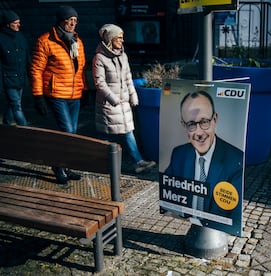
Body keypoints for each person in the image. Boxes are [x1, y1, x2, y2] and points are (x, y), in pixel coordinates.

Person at [163, 90, 243, 230]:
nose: (199, 132)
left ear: (215, 119)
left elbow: (233, 219)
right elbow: (167, 195)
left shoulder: (235, 160)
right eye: (191, 124)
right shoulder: (179, 154)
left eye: (204, 122)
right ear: (184, 125)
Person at [30, 6, 87, 185]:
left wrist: (84, 90)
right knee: (67, 131)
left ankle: (66, 166)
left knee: (72, 134)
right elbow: (36, 70)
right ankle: (58, 166)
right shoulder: (45, 41)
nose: (72, 23)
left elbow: (80, 70)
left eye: (75, 20)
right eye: (69, 20)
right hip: (56, 94)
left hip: (74, 95)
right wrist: (38, 95)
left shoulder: (78, 42)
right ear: (60, 21)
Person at [92, 23, 155, 174]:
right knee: (105, 134)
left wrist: (133, 96)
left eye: (122, 37)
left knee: (127, 131)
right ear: (110, 38)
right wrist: (113, 99)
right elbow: (99, 82)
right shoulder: (99, 58)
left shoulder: (123, 55)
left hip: (123, 104)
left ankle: (138, 161)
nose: (122, 40)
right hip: (109, 104)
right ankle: (103, 163)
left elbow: (128, 78)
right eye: (118, 38)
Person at [0, 10, 29, 126]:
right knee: (16, 105)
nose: (19, 25)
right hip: (8, 79)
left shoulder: (20, 37)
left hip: (20, 78)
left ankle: (6, 125)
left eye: (19, 22)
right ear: (8, 24)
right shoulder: (1, 39)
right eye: (15, 23)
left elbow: (27, 57)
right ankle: (25, 128)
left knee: (13, 104)